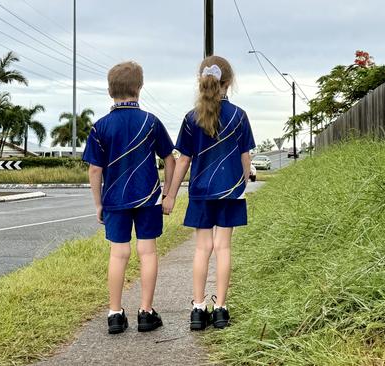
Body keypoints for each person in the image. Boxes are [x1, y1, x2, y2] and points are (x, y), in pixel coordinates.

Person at [163, 55, 256, 330]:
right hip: (230, 191)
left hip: (201, 192)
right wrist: (244, 180)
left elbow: (183, 159)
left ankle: (197, 307)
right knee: (223, 247)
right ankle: (221, 310)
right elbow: (245, 157)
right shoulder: (239, 116)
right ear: (228, 83)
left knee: (202, 249)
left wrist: (169, 194)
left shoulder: (191, 118)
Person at [83, 61, 176, 334]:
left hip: (114, 200)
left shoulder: (100, 127)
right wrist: (168, 192)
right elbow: (170, 160)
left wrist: (98, 202)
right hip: (148, 197)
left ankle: (114, 313)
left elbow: (94, 169)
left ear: (110, 90)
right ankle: (146, 313)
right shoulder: (151, 122)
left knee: (118, 253)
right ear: (140, 87)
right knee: (147, 252)